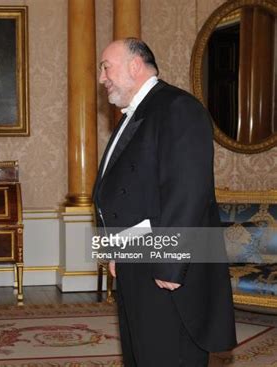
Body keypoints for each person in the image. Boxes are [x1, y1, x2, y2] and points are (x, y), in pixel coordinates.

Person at [92, 38, 237, 366]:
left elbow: (187, 190)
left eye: (106, 67)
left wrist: (170, 262)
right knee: (143, 354)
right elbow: (133, 191)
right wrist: (117, 250)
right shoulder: (139, 112)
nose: (102, 77)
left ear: (134, 66)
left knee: (170, 354)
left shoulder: (177, 107)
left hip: (166, 264)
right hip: (137, 257)